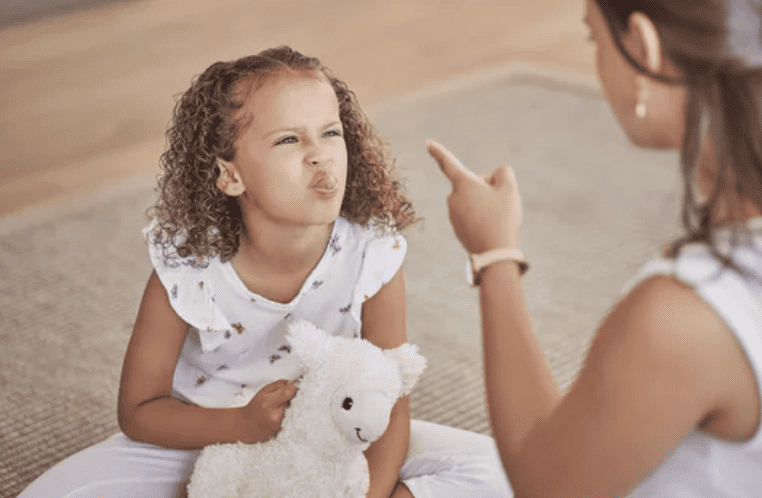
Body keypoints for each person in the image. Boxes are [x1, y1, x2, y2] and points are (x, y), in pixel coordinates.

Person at [19, 47, 512, 498]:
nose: (319, 153)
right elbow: (139, 411)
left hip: (335, 438)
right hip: (204, 438)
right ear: (230, 175)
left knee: (500, 471)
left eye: (331, 132)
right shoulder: (189, 266)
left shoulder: (372, 254)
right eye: (288, 140)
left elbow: (390, 403)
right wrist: (242, 425)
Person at [427, 0, 762, 496]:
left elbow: (543, 482)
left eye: (594, 39)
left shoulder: (683, 318)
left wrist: (494, 251)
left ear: (643, 45)